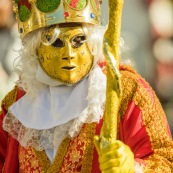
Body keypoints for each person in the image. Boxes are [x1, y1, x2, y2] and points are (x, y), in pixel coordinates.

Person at [0, 0, 173, 172]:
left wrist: (132, 168)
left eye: (78, 40)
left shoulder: (125, 92)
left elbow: (165, 162)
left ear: (92, 42)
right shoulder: (17, 106)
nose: (68, 54)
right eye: (55, 42)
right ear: (35, 48)